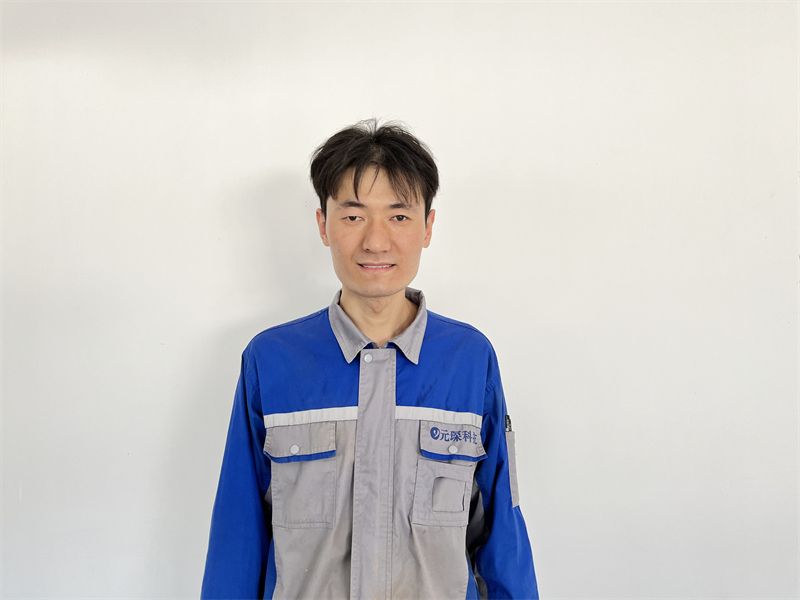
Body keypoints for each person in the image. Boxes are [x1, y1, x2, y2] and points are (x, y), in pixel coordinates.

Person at [200, 119, 539, 600]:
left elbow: (501, 536)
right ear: (323, 224)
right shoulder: (272, 362)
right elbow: (237, 540)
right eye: (354, 216)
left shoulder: (469, 361)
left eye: (398, 216)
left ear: (428, 226)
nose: (376, 242)